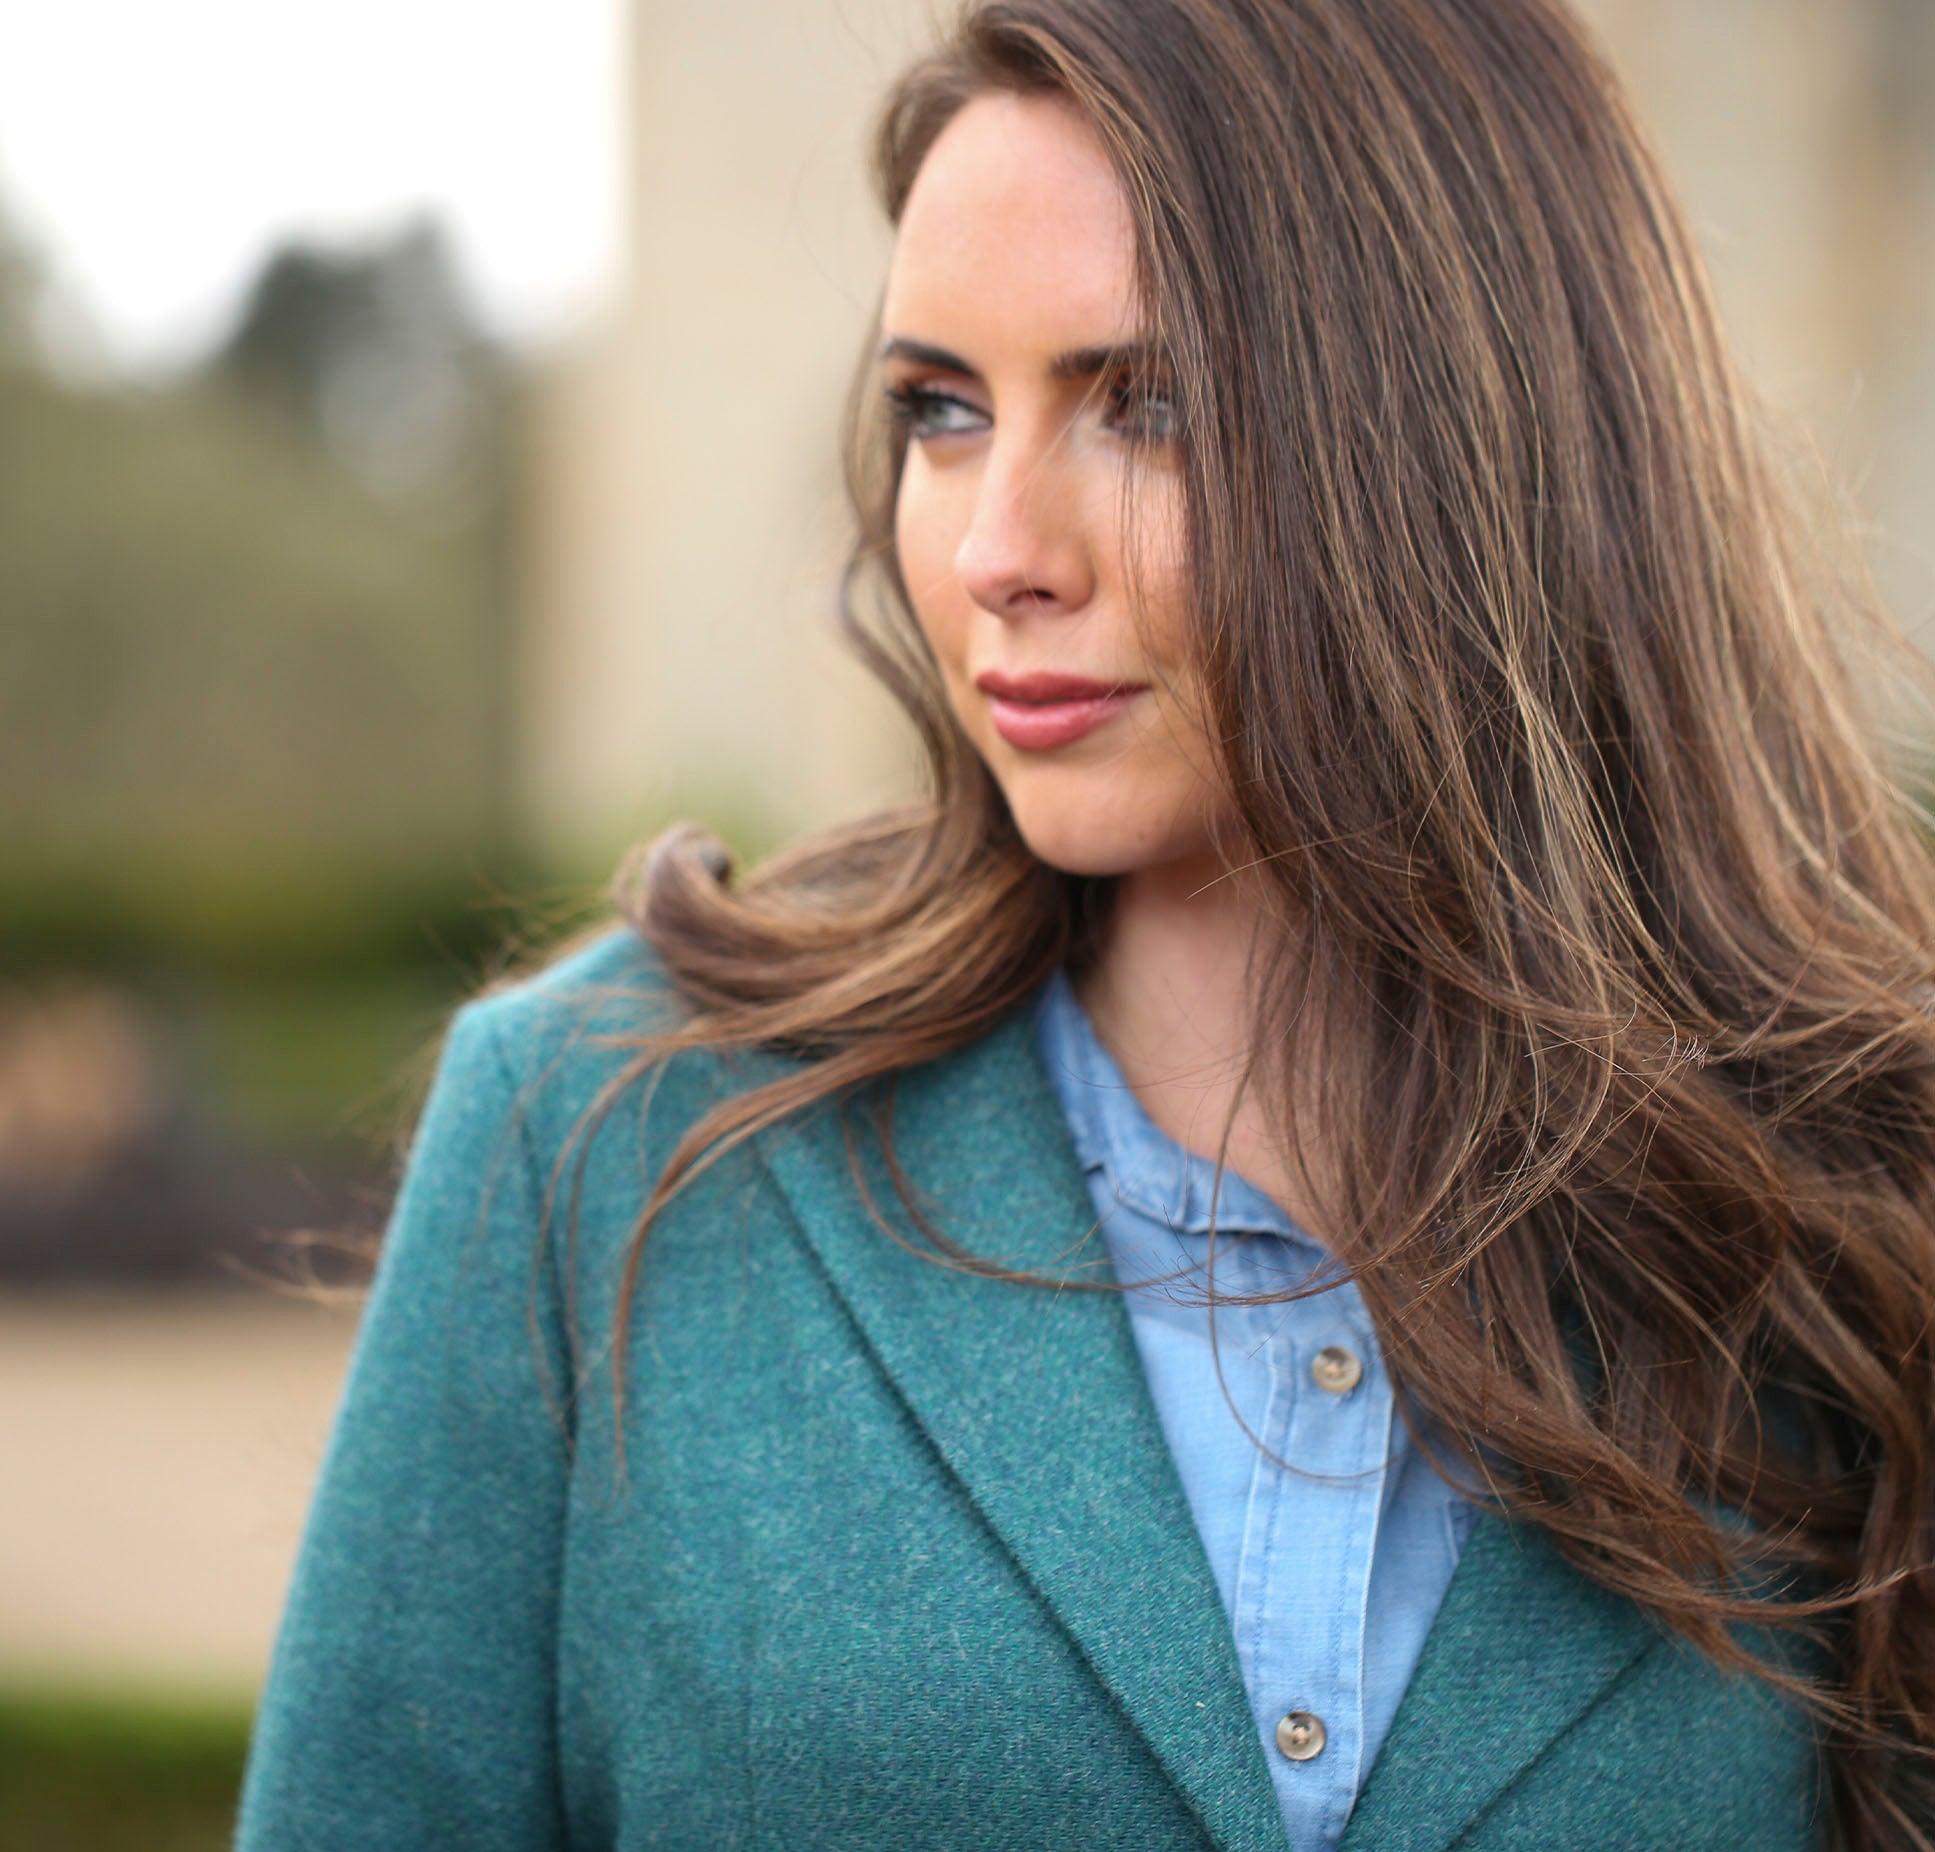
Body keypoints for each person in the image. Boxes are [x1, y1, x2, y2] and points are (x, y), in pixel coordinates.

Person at [235, 0, 1935, 1846]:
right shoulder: (606, 1129)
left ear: (1469, 438)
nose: (996, 549)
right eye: (942, 411)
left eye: (1150, 402)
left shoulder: (1849, 1219)